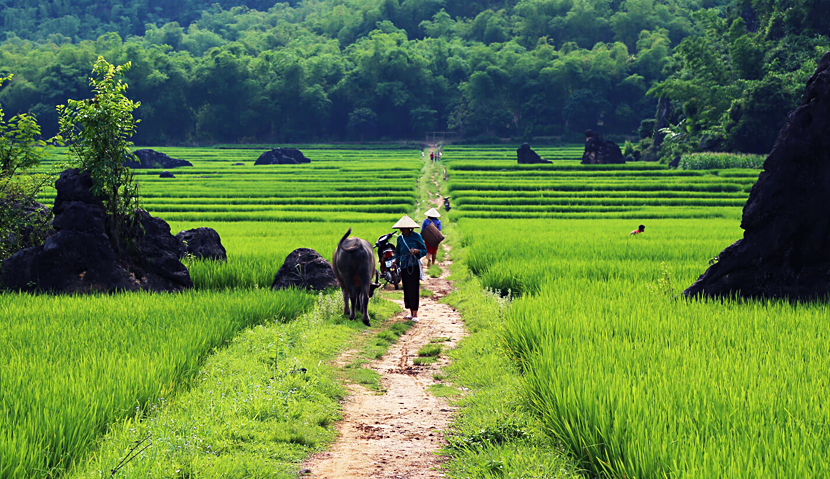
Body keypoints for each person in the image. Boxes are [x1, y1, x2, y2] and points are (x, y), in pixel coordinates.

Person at [393, 215, 427, 321]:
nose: (402, 230)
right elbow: (397, 253)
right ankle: (411, 313)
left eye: (403, 228)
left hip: (413, 266)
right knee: (406, 289)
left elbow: (424, 250)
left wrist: (417, 251)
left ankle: (415, 314)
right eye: (401, 228)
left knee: (414, 289)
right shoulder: (400, 238)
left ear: (409, 228)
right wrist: (395, 260)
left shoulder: (417, 237)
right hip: (404, 266)